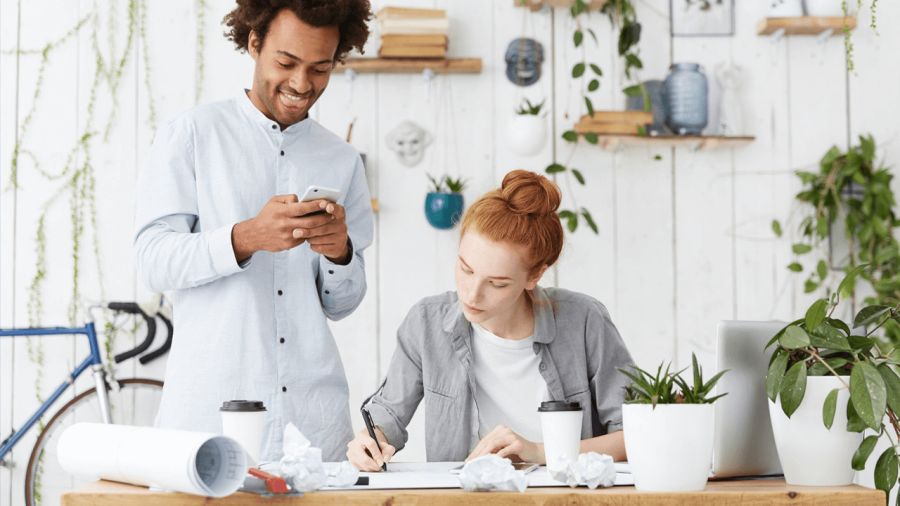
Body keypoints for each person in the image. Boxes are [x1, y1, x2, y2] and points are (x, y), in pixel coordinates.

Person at [134, 0, 373, 461]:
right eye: (286, 63)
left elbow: (342, 305)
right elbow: (153, 262)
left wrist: (339, 253)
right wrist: (245, 237)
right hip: (208, 420)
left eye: (320, 68)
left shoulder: (341, 160)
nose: (301, 84)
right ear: (254, 42)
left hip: (313, 427)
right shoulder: (192, 135)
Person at [346, 170, 634, 470]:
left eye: (496, 283)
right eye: (466, 269)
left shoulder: (585, 322)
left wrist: (538, 452)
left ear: (535, 275)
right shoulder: (426, 323)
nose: (471, 294)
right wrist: (369, 440)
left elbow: (636, 434)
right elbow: (387, 415)